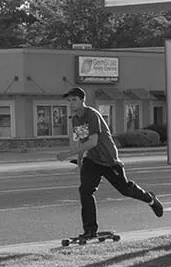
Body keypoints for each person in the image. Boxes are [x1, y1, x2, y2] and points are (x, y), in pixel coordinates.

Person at [58, 86, 163, 236]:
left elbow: (93, 141)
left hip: (109, 160)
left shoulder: (91, 115)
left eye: (74, 100)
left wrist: (68, 153)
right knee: (85, 191)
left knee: (125, 189)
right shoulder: (75, 119)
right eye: (69, 101)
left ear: (82, 100)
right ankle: (90, 230)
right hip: (92, 160)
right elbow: (83, 142)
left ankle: (150, 199)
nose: (71, 103)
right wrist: (80, 163)